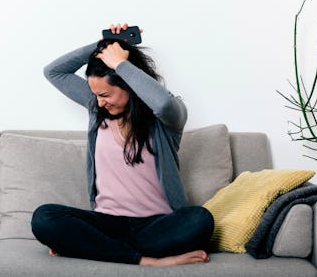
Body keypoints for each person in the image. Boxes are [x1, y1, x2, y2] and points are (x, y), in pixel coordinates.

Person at [31, 23, 214, 266]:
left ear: (129, 83)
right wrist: (106, 45)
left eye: (105, 95)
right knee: (44, 217)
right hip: (107, 224)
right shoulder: (97, 109)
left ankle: (96, 249)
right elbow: (53, 72)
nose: (99, 102)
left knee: (200, 219)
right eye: (96, 95)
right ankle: (147, 260)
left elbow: (164, 104)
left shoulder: (165, 120)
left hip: (158, 225)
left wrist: (121, 63)